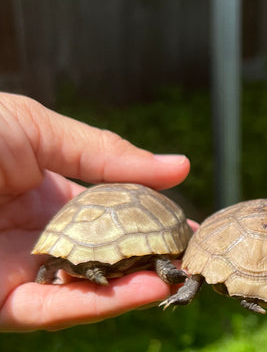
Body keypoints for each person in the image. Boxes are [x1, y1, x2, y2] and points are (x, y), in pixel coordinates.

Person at [0, 92, 190, 333]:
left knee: (56, 263)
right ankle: (97, 267)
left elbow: (50, 265)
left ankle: (90, 267)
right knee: (157, 258)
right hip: (138, 248)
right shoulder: (147, 201)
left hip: (67, 245)